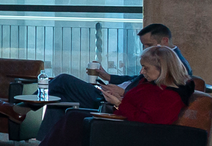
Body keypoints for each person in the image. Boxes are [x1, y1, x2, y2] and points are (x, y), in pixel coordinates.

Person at [0, 46, 195, 146]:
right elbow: (141, 106)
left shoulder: (170, 96)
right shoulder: (153, 84)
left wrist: (119, 103)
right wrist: (120, 97)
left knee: (76, 121)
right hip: (126, 123)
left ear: (163, 70)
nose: (142, 71)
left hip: (135, 134)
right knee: (73, 117)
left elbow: (150, 123)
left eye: (146, 68)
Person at [41, 23, 193, 114]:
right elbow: (136, 79)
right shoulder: (157, 62)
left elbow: (152, 96)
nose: (145, 49)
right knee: (61, 98)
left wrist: (123, 94)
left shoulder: (175, 64)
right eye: (143, 45)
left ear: (164, 41)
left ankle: (26, 105)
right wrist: (107, 77)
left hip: (114, 101)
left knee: (63, 80)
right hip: (115, 95)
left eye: (148, 45)